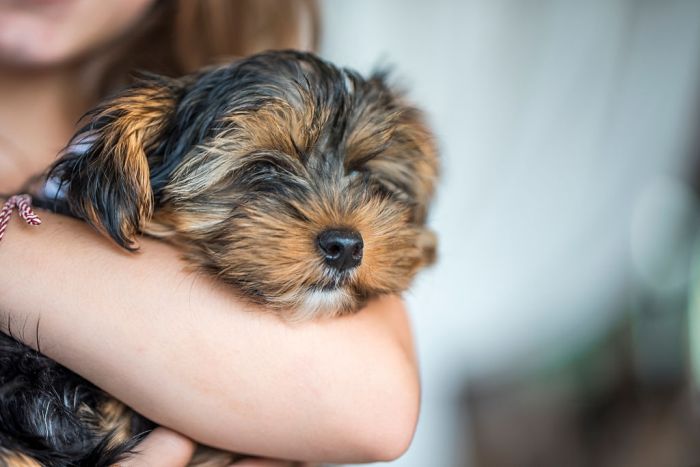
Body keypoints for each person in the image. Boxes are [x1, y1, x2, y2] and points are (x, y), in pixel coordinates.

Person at [0, 1, 420, 466]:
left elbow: (373, 408)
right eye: (261, 171)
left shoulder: (186, 111)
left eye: (365, 179)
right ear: (131, 179)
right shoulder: (143, 140)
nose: (342, 225)